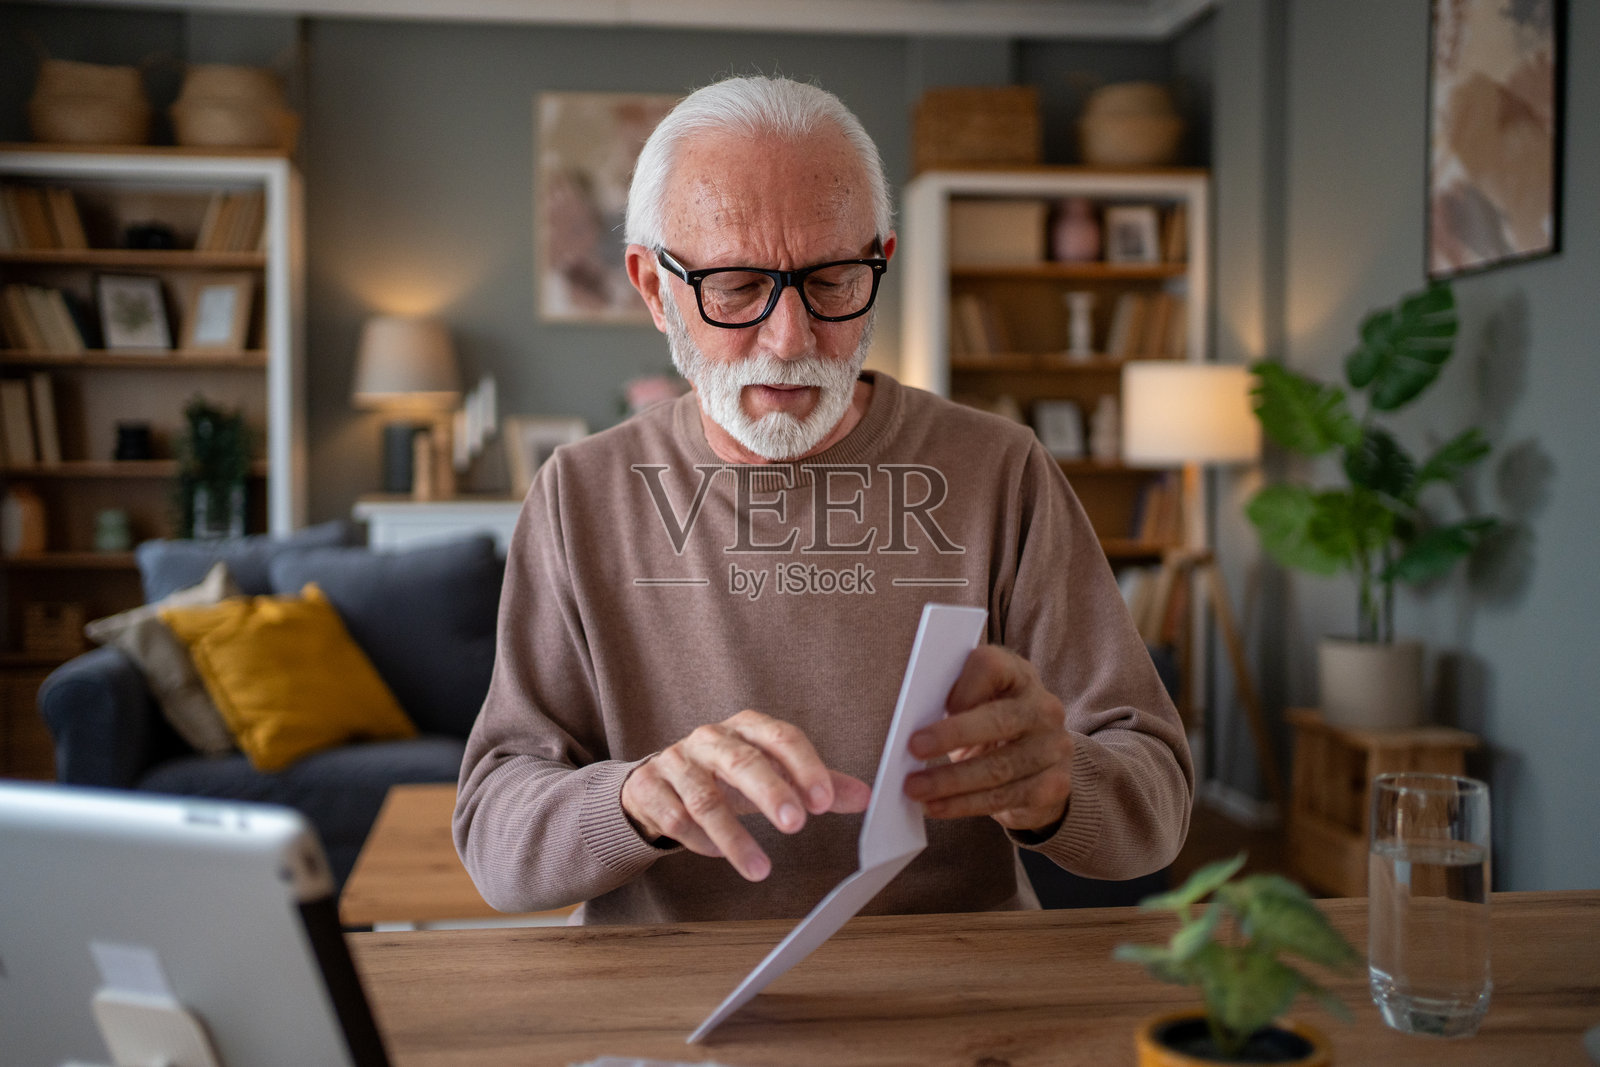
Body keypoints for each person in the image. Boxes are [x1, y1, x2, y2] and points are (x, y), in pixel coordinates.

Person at [454, 75, 1192, 925]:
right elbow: (494, 842)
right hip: (668, 1006)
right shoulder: (579, 495)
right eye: (735, 285)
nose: (791, 337)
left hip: (959, 994)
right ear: (655, 291)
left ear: (879, 258)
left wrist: (1061, 781)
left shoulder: (1000, 469)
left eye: (834, 279)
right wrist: (635, 800)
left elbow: (1159, 805)